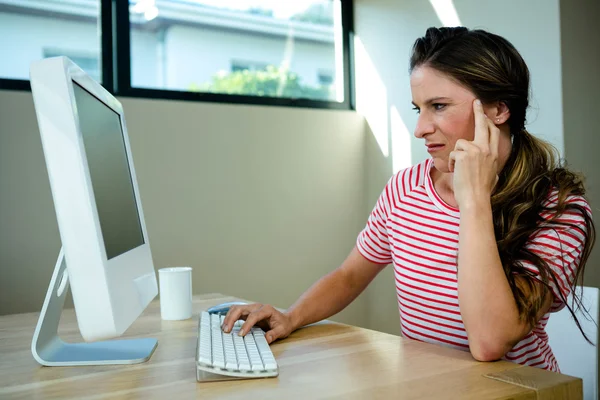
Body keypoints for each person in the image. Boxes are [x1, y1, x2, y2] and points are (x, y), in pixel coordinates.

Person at [222, 26, 596, 372]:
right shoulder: (404, 188)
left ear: (498, 109)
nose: (420, 129)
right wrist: (292, 315)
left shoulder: (558, 207)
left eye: (439, 106)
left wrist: (474, 200)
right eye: (419, 109)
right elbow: (350, 275)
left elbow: (489, 341)